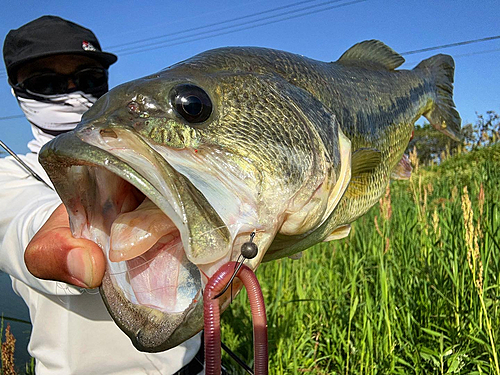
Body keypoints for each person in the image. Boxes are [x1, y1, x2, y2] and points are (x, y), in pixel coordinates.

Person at [0, 16, 202, 375]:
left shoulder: (157, 155)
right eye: (47, 83)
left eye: (91, 79)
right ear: (16, 90)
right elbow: (25, 227)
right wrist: (75, 227)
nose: (75, 92)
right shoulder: (6, 177)